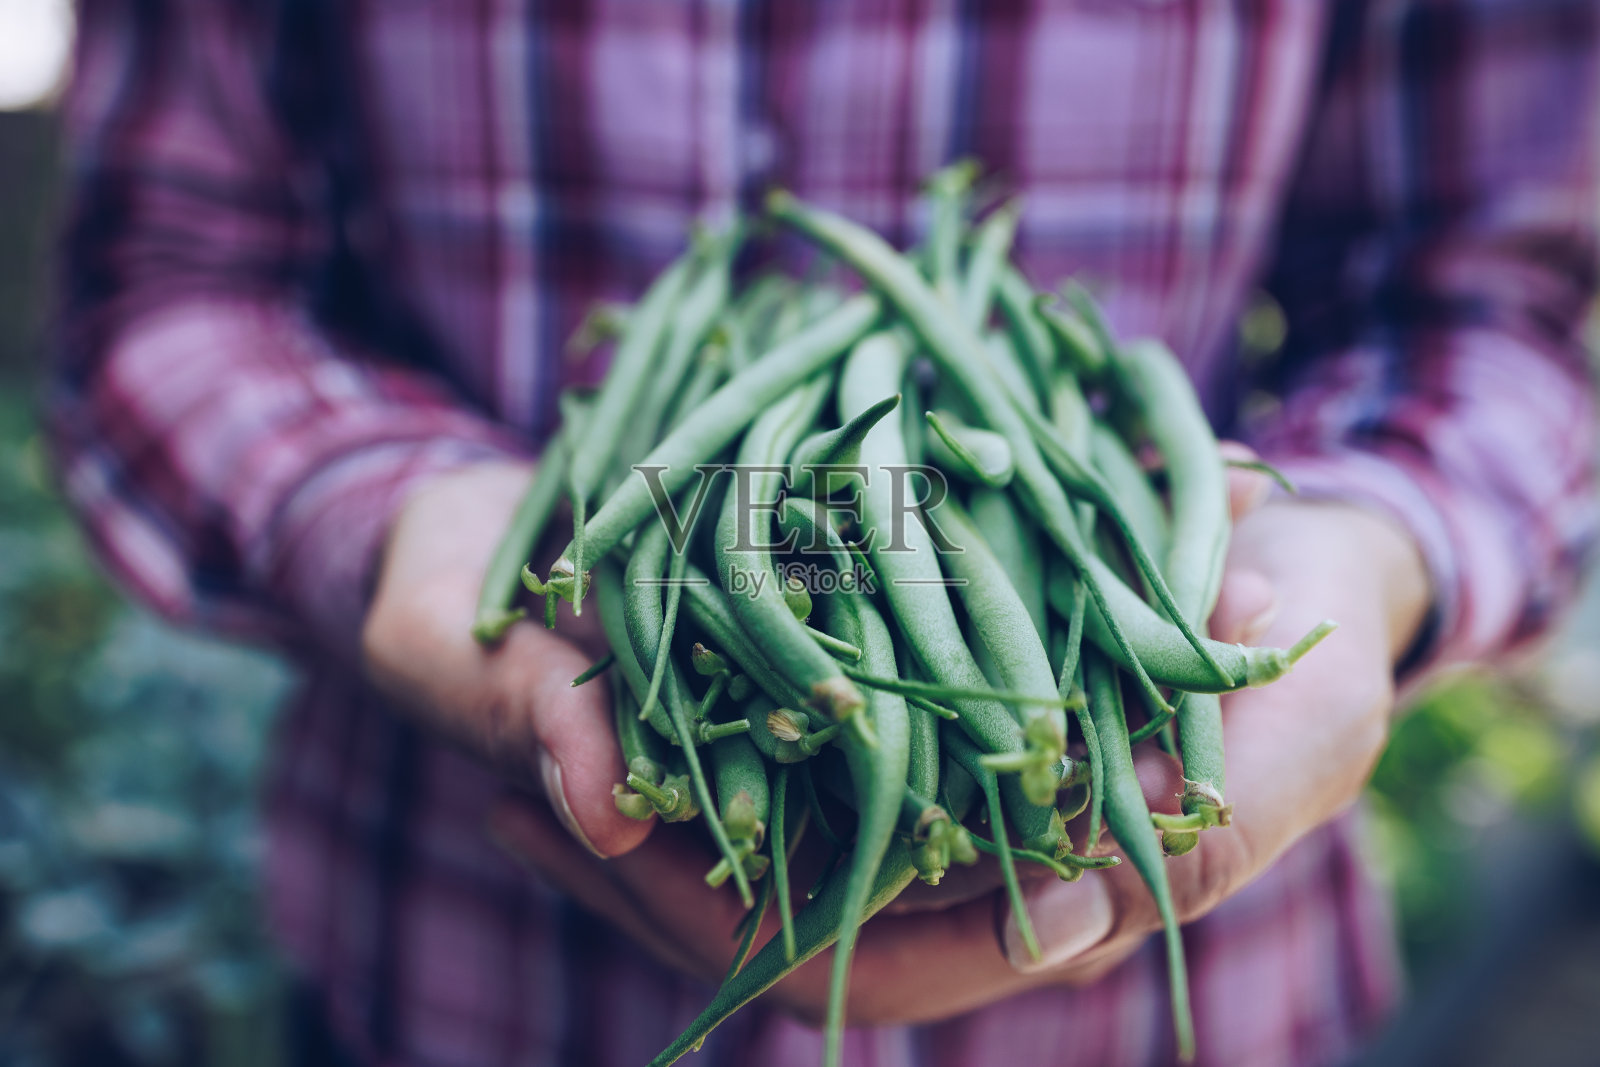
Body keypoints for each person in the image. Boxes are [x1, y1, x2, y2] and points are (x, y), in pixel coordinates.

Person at [49, 1, 1598, 1064]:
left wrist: (1374, 546)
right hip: (451, 978)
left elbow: (1500, 311)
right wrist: (392, 527)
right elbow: (176, 278)